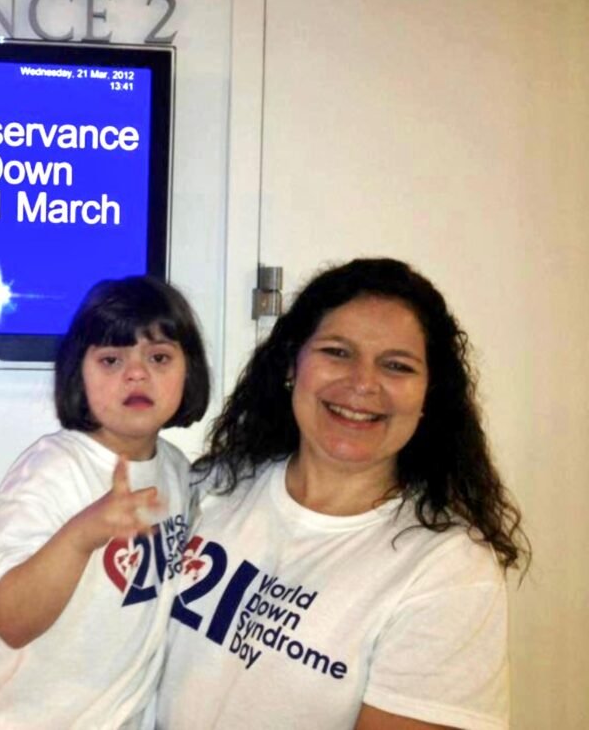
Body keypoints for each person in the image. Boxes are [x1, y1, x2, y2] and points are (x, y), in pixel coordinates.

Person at [156, 258, 529, 730]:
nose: (362, 384)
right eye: (337, 352)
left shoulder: (449, 569)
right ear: (293, 364)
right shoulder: (212, 486)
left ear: (429, 395)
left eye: (396, 365)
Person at [0, 275, 211, 729]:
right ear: (78, 372)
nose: (136, 373)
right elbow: (13, 621)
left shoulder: (176, 470)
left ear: (189, 371)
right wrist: (84, 534)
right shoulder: (54, 469)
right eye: (111, 359)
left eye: (158, 357)